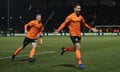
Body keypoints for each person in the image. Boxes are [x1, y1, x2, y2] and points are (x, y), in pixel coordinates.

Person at [54, 4, 98, 69]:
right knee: (78, 46)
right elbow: (64, 23)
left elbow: (85, 24)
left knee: (75, 48)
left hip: (78, 34)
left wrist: (92, 29)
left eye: (80, 8)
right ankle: (80, 63)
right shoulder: (70, 16)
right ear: (74, 9)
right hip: (73, 34)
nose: (79, 10)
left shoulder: (80, 17)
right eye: (78, 8)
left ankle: (64, 49)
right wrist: (58, 30)